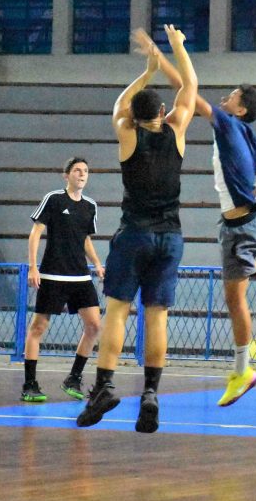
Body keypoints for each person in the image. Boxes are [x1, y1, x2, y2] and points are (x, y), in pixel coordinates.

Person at [135, 28, 256, 408]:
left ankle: (243, 369)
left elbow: (187, 91)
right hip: (240, 222)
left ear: (240, 109)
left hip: (239, 225)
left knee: (234, 300)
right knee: (244, 267)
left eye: (231, 97)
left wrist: (160, 56)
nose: (223, 99)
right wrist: (246, 197)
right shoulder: (249, 135)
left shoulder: (227, 125)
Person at [77, 24, 197, 434]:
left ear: (135, 115)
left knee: (117, 312)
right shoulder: (177, 130)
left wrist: (146, 71)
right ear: (162, 114)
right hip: (171, 236)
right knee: (156, 315)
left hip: (134, 233)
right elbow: (190, 88)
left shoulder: (127, 135)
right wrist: (177, 48)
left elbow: (119, 106)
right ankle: (150, 392)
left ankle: (106, 385)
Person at [20, 157, 103, 403]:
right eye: (77, 170)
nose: (82, 174)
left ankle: (74, 378)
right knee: (38, 327)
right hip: (53, 274)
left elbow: (85, 239)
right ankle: (30, 384)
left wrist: (97, 263)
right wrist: (33, 267)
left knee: (95, 326)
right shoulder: (54, 199)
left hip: (80, 276)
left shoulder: (90, 206)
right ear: (66, 175)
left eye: (86, 171)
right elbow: (36, 233)